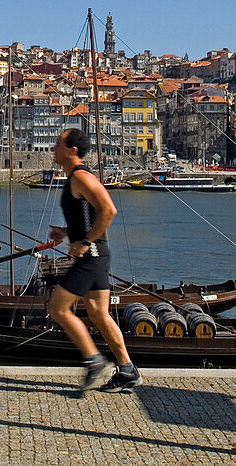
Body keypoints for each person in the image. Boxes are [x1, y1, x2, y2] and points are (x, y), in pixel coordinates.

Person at [47, 128, 141, 394]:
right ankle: (127, 371)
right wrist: (66, 233)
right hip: (96, 254)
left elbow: (108, 210)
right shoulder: (74, 178)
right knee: (98, 313)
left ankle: (94, 361)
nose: (53, 149)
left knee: (58, 308)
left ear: (72, 150)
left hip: (92, 256)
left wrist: (85, 242)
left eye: (57, 144)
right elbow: (87, 218)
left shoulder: (81, 177)